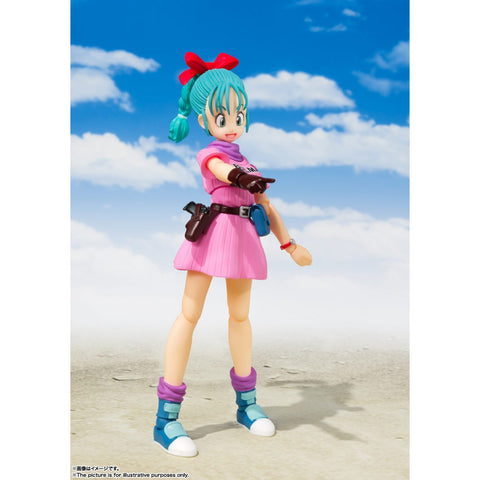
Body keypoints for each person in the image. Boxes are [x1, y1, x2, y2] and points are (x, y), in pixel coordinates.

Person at [154, 52, 312, 457]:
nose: (232, 123)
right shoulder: (212, 155)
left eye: (238, 114)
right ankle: (166, 418)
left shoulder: (250, 163)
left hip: (242, 239)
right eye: (222, 116)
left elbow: (267, 207)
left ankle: (246, 404)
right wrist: (241, 177)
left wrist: (289, 244)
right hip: (213, 235)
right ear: (204, 119)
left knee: (240, 317)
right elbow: (220, 169)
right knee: (189, 315)